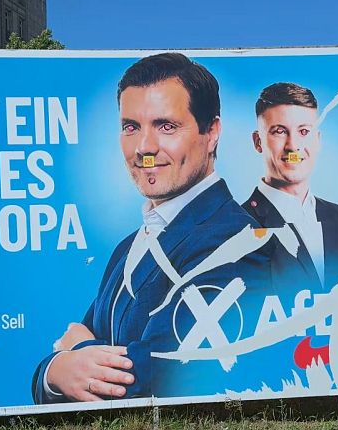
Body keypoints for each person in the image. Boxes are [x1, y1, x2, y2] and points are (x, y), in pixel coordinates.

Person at [32, 53, 267, 404]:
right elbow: (64, 363)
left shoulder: (237, 239)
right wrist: (54, 374)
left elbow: (172, 372)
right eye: (131, 127)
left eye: (166, 126)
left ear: (212, 132)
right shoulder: (128, 248)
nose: (144, 148)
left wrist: (78, 351)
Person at [243, 82, 338, 293]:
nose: (293, 146)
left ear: (318, 140)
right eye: (279, 131)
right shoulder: (234, 226)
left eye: (304, 131)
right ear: (258, 142)